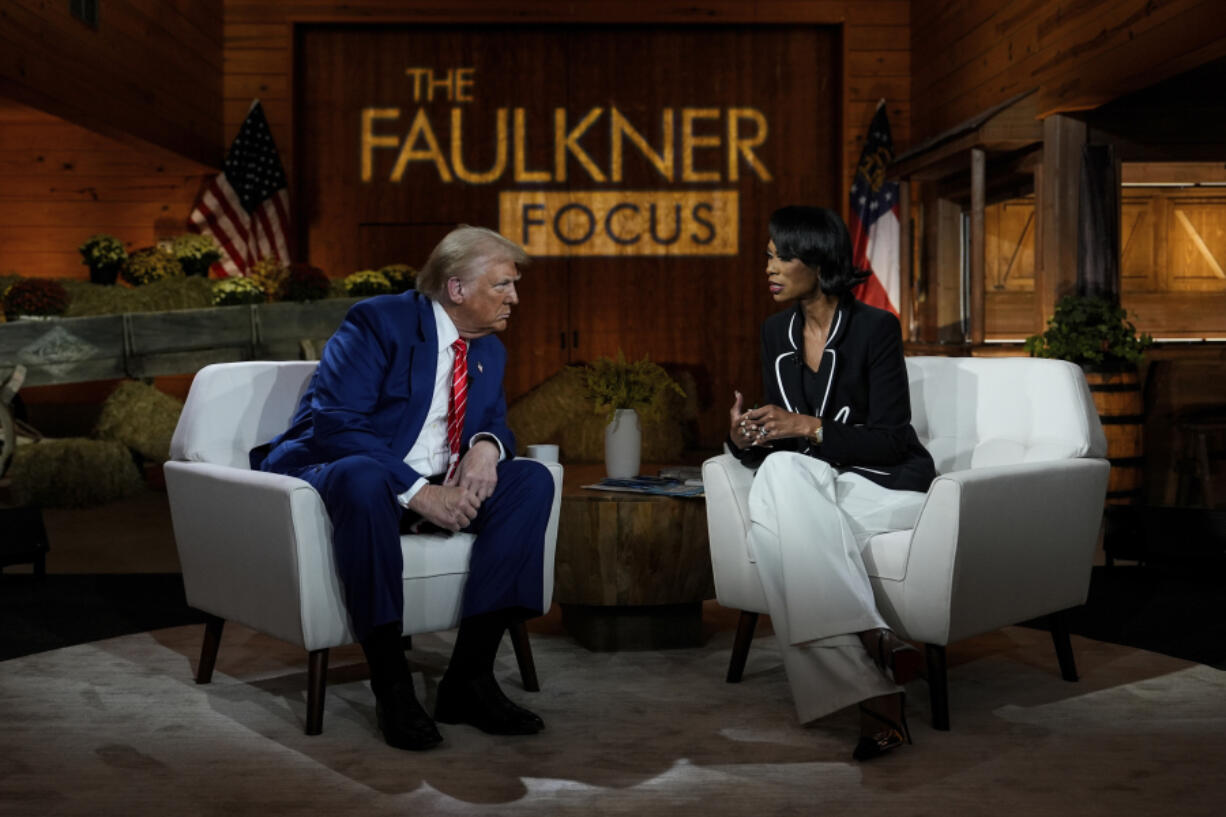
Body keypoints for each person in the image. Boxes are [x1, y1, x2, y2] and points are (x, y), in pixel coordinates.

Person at [252, 225, 554, 751]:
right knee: (364, 476)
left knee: (530, 480)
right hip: (348, 475)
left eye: (514, 286)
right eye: (503, 285)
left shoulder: (489, 351)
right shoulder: (378, 322)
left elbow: (497, 423)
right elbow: (337, 423)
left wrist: (486, 446)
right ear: (456, 289)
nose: (515, 299)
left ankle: (469, 678)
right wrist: (419, 493)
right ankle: (391, 684)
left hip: (433, 481)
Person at [728, 205, 936, 761]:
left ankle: (877, 685)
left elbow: (894, 440)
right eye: (768, 256)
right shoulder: (777, 331)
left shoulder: (875, 329)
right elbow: (781, 442)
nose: (768, 268)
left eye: (781, 256)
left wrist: (808, 427)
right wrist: (747, 438)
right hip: (815, 486)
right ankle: (875, 662)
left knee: (777, 529)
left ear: (818, 263)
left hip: (886, 485)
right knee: (777, 471)